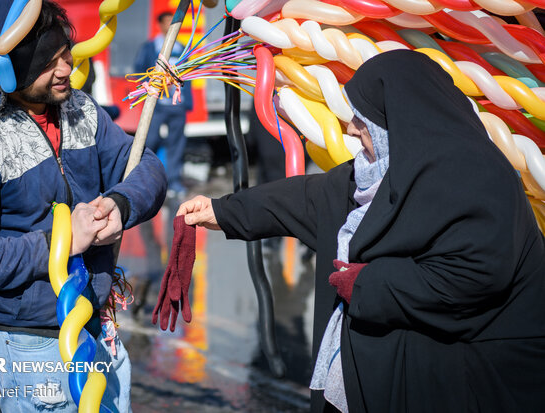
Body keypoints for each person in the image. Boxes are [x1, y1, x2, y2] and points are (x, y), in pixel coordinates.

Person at [176, 50, 545, 412]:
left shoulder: (480, 178)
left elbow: (473, 279)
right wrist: (222, 211)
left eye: (362, 120)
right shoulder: (385, 170)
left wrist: (368, 285)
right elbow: (309, 198)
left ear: (398, 122)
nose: (350, 129)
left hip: (469, 380)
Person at [0, 1, 166, 412]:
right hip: (32, 348)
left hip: (99, 329)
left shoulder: (80, 108)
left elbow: (146, 166)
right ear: (8, 68)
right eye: (47, 61)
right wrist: (64, 240)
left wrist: (121, 204)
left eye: (65, 52)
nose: (65, 68)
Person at [134, 10, 193, 197]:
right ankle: (146, 181)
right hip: (156, 106)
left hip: (176, 105)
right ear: (159, 25)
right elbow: (139, 71)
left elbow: (188, 76)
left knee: (177, 143)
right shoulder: (150, 47)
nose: (171, 25)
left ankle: (174, 181)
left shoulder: (183, 47)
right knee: (149, 141)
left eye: (173, 22)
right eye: (167, 22)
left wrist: (187, 101)